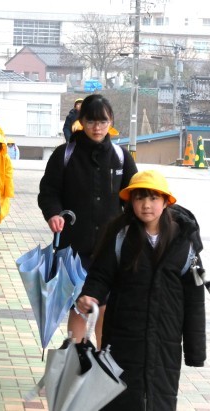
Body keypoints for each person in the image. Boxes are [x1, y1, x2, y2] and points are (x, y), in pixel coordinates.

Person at [76, 170, 207, 410]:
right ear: (131, 202)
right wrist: (90, 294)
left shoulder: (184, 242)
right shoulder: (120, 236)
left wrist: (195, 350)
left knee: (160, 399)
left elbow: (195, 299)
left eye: (153, 198)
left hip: (166, 338)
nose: (146, 205)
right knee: (120, 399)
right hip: (123, 336)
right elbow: (101, 274)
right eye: (139, 198)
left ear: (166, 202)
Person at [38, 94, 137, 346]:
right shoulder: (64, 154)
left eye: (102, 122)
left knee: (106, 310)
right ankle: (76, 360)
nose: (97, 127)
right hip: (75, 248)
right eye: (91, 121)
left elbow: (135, 197)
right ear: (81, 121)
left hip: (111, 249)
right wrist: (53, 214)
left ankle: (103, 363)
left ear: (111, 121)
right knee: (80, 307)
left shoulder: (121, 157)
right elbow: (49, 192)